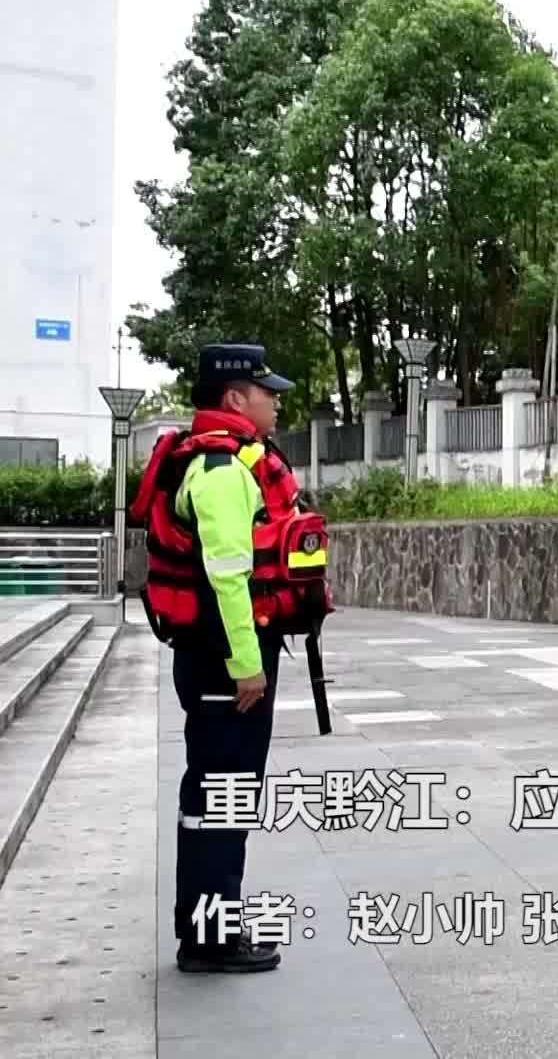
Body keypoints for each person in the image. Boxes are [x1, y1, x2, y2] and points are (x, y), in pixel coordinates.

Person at [139, 343, 307, 974]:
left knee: (220, 795)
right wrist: (247, 663)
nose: (275, 400)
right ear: (236, 398)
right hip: (221, 663)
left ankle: (213, 927)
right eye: (266, 391)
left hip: (217, 658)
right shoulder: (218, 471)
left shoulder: (229, 463)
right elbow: (228, 575)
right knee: (220, 796)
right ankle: (208, 940)